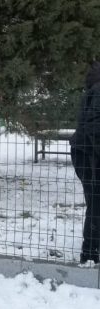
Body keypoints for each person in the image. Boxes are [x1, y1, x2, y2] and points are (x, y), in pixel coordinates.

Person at [70, 62, 100, 265]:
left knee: (95, 202)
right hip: (89, 154)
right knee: (96, 203)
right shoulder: (99, 90)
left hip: (86, 151)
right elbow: (93, 125)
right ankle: (89, 253)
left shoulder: (96, 88)